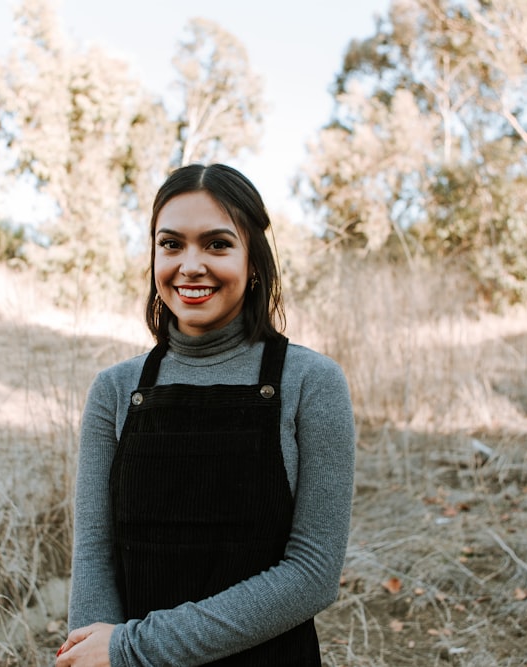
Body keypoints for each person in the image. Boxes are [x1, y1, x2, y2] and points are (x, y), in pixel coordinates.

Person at [56, 163, 355, 666]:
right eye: (171, 244)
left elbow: (313, 573)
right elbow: (94, 554)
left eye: (217, 244)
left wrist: (135, 649)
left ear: (253, 260)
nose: (190, 265)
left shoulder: (312, 383)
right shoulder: (114, 389)